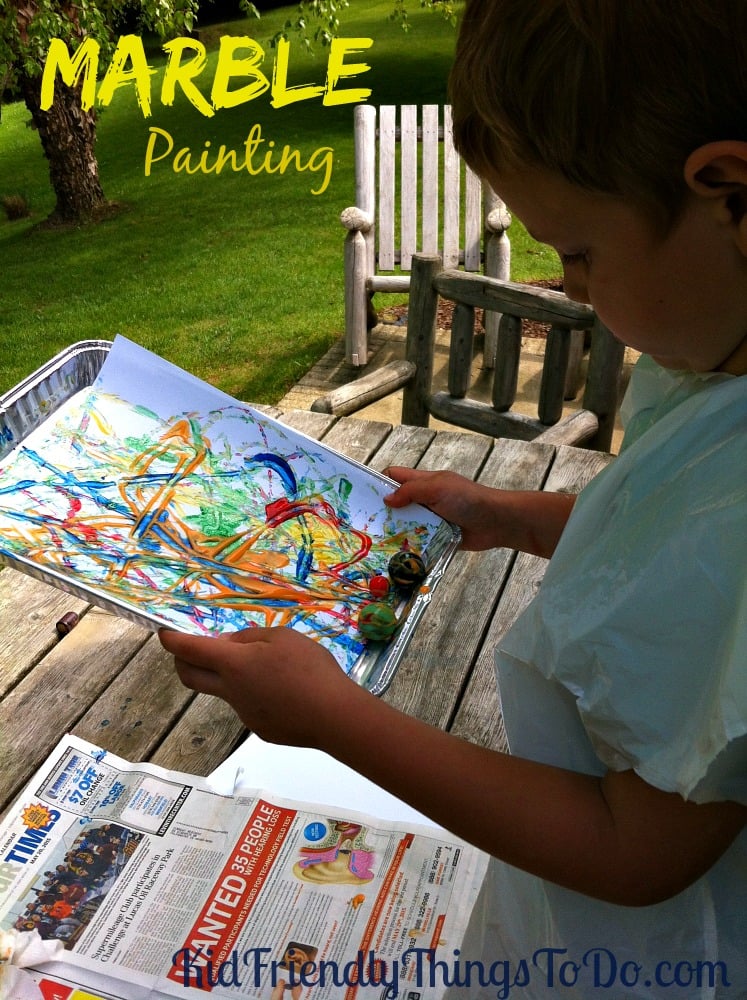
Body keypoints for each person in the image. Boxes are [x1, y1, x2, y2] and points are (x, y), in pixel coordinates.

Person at [160, 1, 747, 995]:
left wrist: (336, 718)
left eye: (580, 250)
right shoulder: (715, 361)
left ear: (728, 193)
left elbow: (635, 849)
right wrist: (512, 514)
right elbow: (657, 544)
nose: (567, 288)